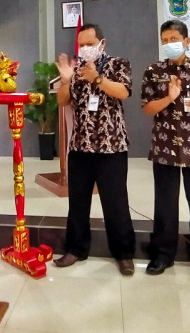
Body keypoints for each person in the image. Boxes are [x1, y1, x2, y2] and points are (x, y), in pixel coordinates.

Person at [140, 19, 190, 284]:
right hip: (165, 147)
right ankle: (163, 255)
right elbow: (147, 108)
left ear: (186, 41)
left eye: (173, 39)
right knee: (165, 205)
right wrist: (170, 97)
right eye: (164, 40)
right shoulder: (154, 71)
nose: (169, 44)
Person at [54, 24, 136, 275]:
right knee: (78, 202)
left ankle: (123, 254)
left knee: (116, 202)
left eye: (90, 43)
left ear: (103, 43)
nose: (86, 49)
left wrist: (97, 79)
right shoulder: (75, 70)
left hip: (111, 146)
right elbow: (62, 101)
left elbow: (123, 92)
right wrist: (67, 80)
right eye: (82, 45)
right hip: (80, 146)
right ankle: (76, 249)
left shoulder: (119, 64)